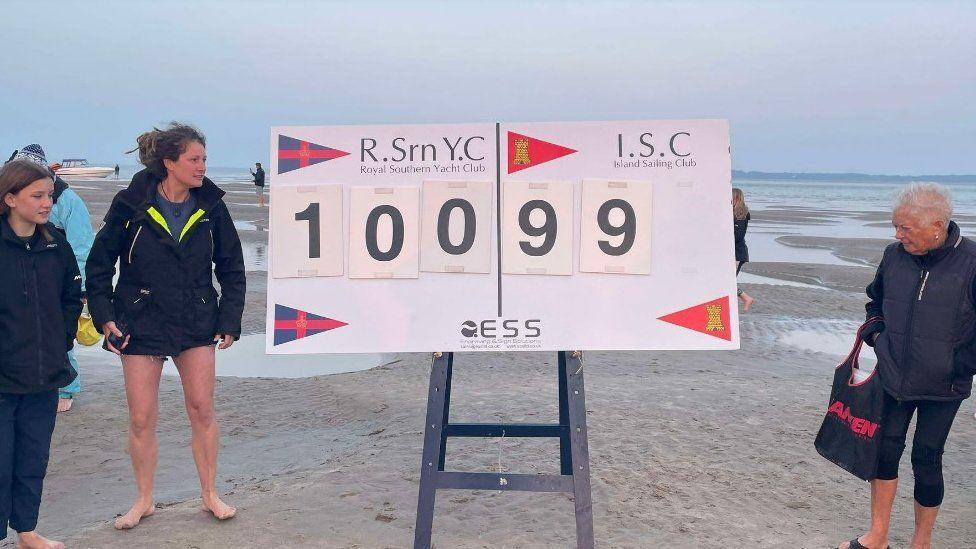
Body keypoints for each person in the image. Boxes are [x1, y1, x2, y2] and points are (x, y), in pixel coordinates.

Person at [86, 122, 246, 530]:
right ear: (168, 162)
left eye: (205, 159)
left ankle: (210, 494)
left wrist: (230, 319)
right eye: (194, 159)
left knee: (202, 409)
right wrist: (104, 316)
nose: (202, 167)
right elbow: (100, 265)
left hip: (196, 319)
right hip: (139, 322)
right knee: (141, 418)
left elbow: (231, 266)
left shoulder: (211, 206)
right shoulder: (130, 204)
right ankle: (143, 500)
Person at [838, 183, 975, 549]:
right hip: (893, 375)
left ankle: (921, 541)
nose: (898, 234)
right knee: (884, 450)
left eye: (905, 227)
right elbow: (875, 302)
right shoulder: (893, 255)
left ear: (937, 225)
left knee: (927, 458)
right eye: (896, 226)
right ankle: (877, 536)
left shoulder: (972, 261)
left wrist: (961, 363)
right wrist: (877, 338)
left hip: (944, 386)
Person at [0, 159, 82, 549]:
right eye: (37, 195)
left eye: (49, 194)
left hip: (45, 375)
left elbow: (71, 296)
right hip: (2, 378)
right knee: (0, 462)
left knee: (33, 459)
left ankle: (27, 531)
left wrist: (60, 342)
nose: (47, 202)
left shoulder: (55, 244)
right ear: (10, 198)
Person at [11, 144, 94, 413]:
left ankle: (67, 387)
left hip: (58, 281)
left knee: (59, 334)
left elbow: (82, 247)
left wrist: (80, 286)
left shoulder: (69, 202)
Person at [732, 187, 754, 311]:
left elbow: (739, 235)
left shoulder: (741, 214)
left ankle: (746, 298)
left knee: (728, 281)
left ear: (737, 198)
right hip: (734, 252)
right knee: (727, 281)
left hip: (738, 253)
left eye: (731, 198)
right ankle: (745, 298)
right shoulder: (733, 213)